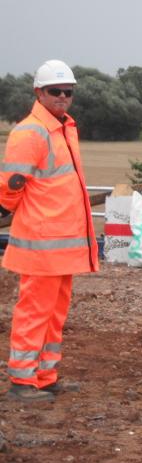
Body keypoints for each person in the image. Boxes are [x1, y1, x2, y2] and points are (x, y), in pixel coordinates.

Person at [1, 60, 99, 402]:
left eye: (67, 92)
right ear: (38, 93)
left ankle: (44, 375)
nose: (62, 97)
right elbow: (10, 186)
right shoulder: (31, 131)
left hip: (62, 246)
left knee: (54, 313)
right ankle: (23, 381)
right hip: (41, 244)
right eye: (54, 91)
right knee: (34, 312)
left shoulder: (64, 128)